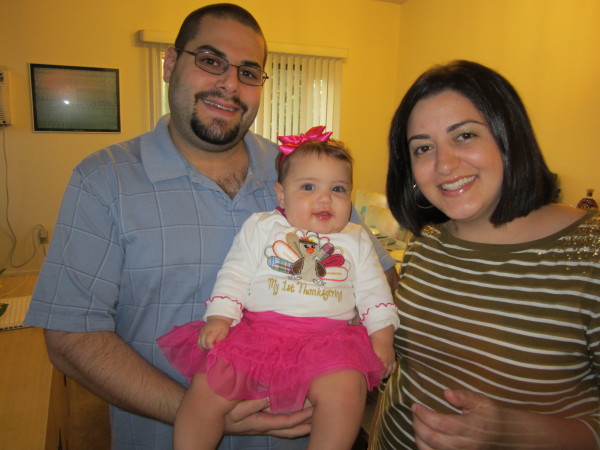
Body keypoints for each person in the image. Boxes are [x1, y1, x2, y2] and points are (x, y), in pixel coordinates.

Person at [24, 4, 399, 449]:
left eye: (249, 72)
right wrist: (201, 411)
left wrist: (329, 336)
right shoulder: (104, 181)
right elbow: (71, 336)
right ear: (170, 64)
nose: (230, 84)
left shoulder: (304, 174)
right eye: (210, 60)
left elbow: (378, 277)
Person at [370, 60, 600, 450]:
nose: (444, 164)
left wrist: (515, 432)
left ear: (509, 136)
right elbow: (408, 374)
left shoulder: (589, 253)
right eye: (423, 148)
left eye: (464, 136)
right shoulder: (426, 242)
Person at [157, 127, 400, 449]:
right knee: (205, 392)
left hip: (329, 341)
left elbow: (374, 292)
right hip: (257, 335)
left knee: (346, 394)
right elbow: (236, 273)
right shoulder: (263, 226)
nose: (325, 198)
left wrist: (382, 336)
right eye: (309, 187)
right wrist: (220, 316)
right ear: (282, 195)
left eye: (338, 189)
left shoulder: (355, 238)